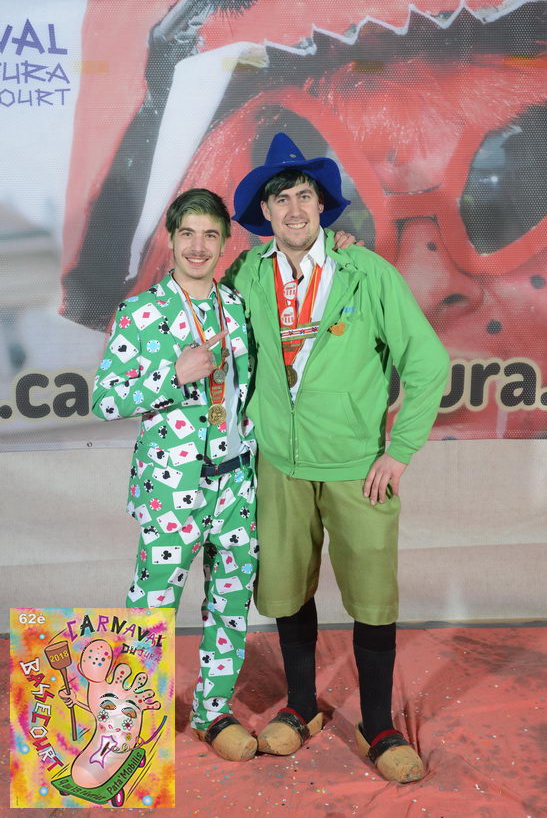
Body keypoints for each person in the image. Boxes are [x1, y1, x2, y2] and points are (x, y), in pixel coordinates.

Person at [224, 133, 450, 783]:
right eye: (280, 199)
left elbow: (428, 364)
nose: (294, 209)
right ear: (264, 213)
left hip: (357, 468)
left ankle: (377, 725)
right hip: (279, 464)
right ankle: (302, 707)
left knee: (373, 598)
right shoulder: (246, 275)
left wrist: (399, 452)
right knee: (285, 589)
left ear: (322, 205)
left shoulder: (365, 271)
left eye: (304, 195)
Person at [91, 189, 259, 762]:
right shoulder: (141, 312)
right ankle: (131, 723)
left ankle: (213, 714)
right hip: (172, 487)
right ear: (170, 238)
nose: (198, 246)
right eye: (188, 233)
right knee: (152, 606)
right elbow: (105, 400)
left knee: (230, 606)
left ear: (225, 242)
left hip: (235, 483)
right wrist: (173, 374)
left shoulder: (236, 308)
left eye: (211, 235)